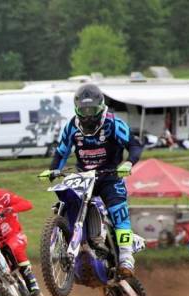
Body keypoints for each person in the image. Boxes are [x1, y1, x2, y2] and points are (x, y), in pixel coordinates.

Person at [45, 83, 143, 277]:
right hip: (83, 176)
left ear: (101, 107)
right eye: (84, 111)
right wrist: (53, 170)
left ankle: (126, 256)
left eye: (92, 110)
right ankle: (64, 242)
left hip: (109, 176)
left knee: (118, 210)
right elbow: (61, 152)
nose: (88, 116)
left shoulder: (113, 123)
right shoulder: (71, 126)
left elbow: (134, 145)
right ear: (77, 109)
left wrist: (128, 163)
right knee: (66, 201)